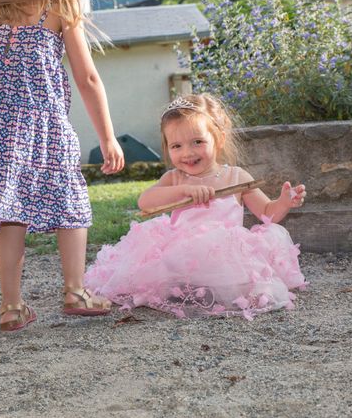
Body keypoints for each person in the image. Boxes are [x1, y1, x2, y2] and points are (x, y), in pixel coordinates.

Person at [0, 0, 125, 331]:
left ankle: (10, 307)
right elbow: (88, 79)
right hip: (44, 124)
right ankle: (75, 292)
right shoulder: (58, 7)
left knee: (11, 216)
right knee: (71, 202)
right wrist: (108, 137)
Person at [85, 93, 307, 320]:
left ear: (219, 139)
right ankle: (183, 289)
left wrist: (283, 202)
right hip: (183, 253)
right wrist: (183, 191)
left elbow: (267, 213)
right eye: (176, 146)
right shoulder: (176, 178)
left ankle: (212, 291)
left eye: (197, 142)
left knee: (242, 274)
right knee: (164, 264)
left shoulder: (236, 177)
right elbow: (145, 202)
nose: (187, 153)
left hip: (224, 256)